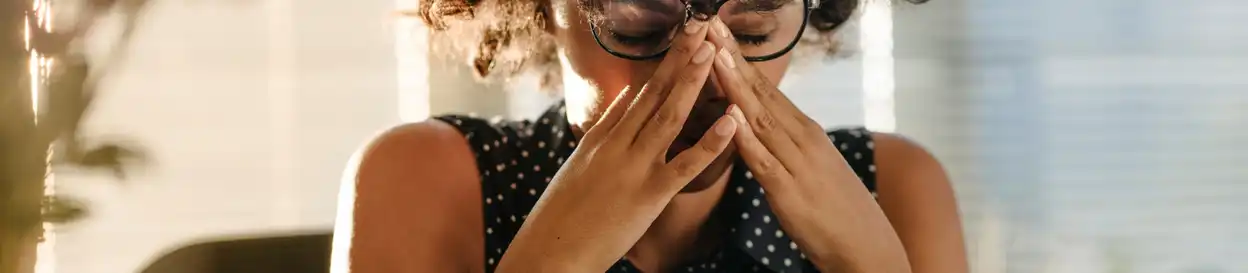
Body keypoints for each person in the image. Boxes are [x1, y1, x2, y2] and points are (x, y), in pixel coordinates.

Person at [333, 0, 968, 272]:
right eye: (638, 29)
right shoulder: (422, 179)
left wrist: (872, 265)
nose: (708, 75)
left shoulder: (895, 185)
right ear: (540, 11)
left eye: (751, 31)